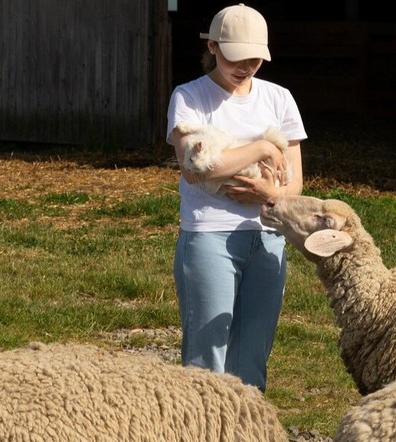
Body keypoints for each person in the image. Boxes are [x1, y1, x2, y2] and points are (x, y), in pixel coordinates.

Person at [165, 3, 306, 392]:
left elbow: (294, 183)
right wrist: (261, 148)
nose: (245, 67)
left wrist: (271, 193)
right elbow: (196, 167)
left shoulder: (279, 99)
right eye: (235, 58)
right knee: (205, 359)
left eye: (255, 60)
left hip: (268, 237)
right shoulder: (189, 97)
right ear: (212, 46)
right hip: (209, 235)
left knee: (252, 359)